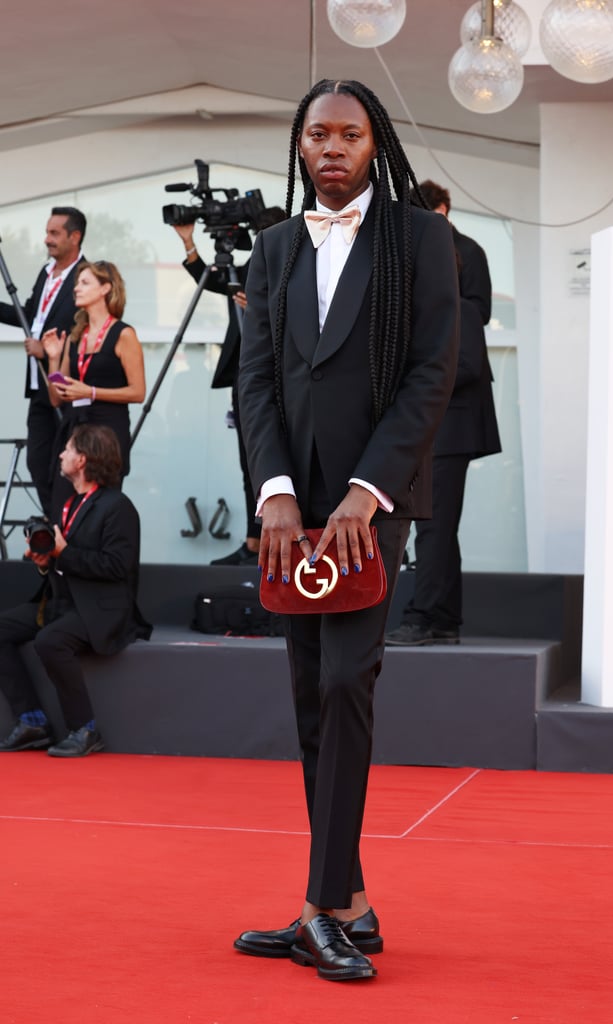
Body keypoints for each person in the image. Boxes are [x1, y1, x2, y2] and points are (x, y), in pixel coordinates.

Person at [233, 80, 459, 981]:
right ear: (299, 147)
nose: (332, 147)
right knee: (306, 691)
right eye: (317, 134)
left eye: (349, 134)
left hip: (370, 507)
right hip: (293, 510)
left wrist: (367, 493)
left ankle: (318, 907)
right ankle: (349, 903)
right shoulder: (276, 248)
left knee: (343, 683)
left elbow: (431, 371)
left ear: (375, 143)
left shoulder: (419, 239)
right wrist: (276, 492)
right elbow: (256, 381)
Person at [386, 179, 502, 647]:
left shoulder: (459, 307)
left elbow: (465, 365)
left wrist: (416, 384)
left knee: (432, 526)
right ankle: (440, 619)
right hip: (442, 424)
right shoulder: (446, 307)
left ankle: (425, 616)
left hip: (448, 425)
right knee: (437, 527)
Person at [0, 423, 152, 757]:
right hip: (62, 602)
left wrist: (62, 553)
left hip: (101, 608)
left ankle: (85, 728)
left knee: (50, 641)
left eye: (67, 449)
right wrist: (45, 560)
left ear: (82, 460)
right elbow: (61, 560)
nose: (60, 454)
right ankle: (32, 720)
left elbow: (117, 567)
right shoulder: (69, 504)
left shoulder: (118, 507)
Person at [171, 206, 286, 567]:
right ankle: (254, 542)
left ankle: (271, 541)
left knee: (272, 461)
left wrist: (262, 308)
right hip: (244, 374)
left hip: (281, 377)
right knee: (248, 461)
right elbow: (214, 281)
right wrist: (189, 244)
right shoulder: (253, 265)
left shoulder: (295, 265)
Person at [41, 260, 146, 518]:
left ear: (105, 289)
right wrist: (53, 358)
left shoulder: (123, 334)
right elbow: (56, 398)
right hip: (75, 429)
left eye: (85, 282)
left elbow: (138, 392)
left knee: (100, 510)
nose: (76, 288)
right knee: (62, 503)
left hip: (108, 433)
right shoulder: (76, 336)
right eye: (78, 282)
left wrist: (91, 392)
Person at [0, 207, 87, 514]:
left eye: (54, 233)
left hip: (66, 386)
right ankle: (53, 528)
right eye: (47, 232)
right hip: (40, 385)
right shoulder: (46, 272)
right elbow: (30, 316)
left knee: (62, 465)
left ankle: (64, 529)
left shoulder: (86, 276)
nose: (47, 240)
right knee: (37, 460)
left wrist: (49, 350)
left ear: (74, 237)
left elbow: (83, 328)